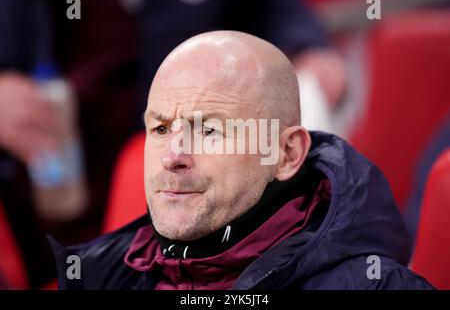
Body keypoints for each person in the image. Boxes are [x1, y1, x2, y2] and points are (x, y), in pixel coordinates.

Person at [50, 31, 432, 290]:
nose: (172, 157)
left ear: (286, 154)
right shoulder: (98, 274)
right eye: (161, 129)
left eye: (209, 131)